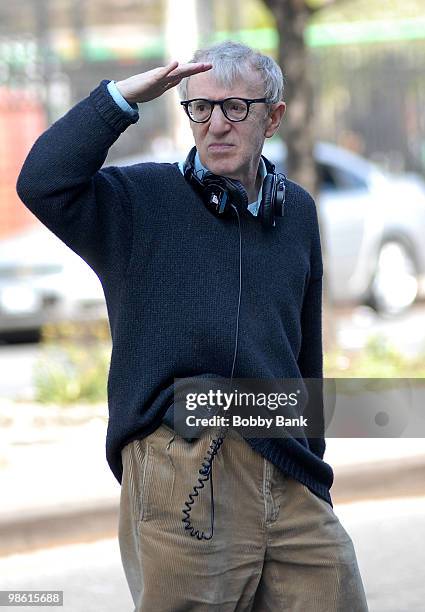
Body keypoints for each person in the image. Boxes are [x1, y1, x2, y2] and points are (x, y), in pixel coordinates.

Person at [17, 40, 368, 612]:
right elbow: (42, 182)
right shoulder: (139, 201)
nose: (216, 126)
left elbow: (305, 355)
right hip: (184, 467)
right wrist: (122, 100)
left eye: (235, 108)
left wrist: (315, 473)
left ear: (273, 116)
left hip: (286, 466)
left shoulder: (296, 211)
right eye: (200, 109)